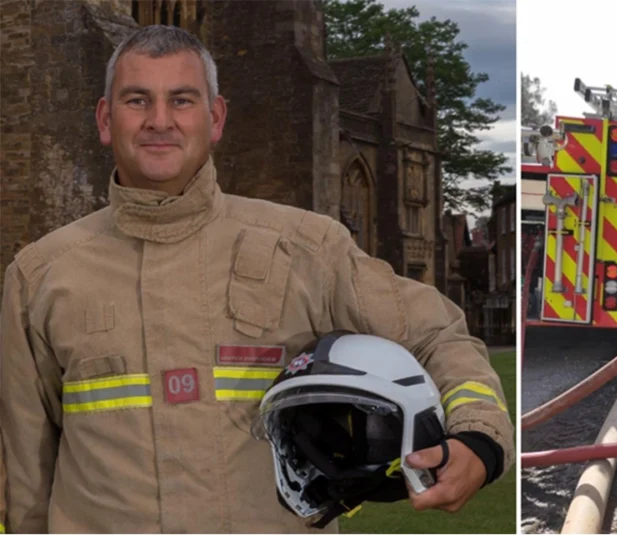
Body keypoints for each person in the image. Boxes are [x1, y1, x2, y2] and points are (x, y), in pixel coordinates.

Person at [0, 25, 512, 533]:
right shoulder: (40, 276)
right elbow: (25, 478)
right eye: (137, 100)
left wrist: (479, 438)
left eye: (182, 100)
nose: (159, 120)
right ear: (104, 119)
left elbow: (437, 333)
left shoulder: (307, 248)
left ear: (215, 118)